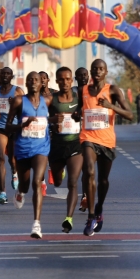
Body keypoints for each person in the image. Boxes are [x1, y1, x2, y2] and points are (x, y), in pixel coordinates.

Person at [80, 59, 133, 236]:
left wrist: (111, 106)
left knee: (103, 180)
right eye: (94, 69)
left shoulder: (113, 90)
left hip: (107, 141)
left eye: (101, 69)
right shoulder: (84, 90)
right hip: (88, 138)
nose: (97, 71)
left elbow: (130, 115)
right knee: (89, 170)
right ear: (91, 71)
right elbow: (78, 108)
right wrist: (74, 115)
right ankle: (91, 216)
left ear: (106, 72)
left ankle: (99, 207)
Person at [5, 71, 52, 238]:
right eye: (30, 80)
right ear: (26, 83)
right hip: (23, 148)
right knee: (24, 185)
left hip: (41, 149)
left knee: (37, 182)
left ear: (41, 84)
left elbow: (51, 118)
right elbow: (8, 126)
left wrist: (56, 121)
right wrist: (23, 126)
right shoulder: (19, 101)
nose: (33, 82)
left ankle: (36, 224)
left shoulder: (47, 100)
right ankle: (20, 192)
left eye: (36, 80)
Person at [48, 67, 83, 233]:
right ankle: (58, 172)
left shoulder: (79, 98)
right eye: (61, 80)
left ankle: (68, 218)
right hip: (56, 145)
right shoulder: (51, 100)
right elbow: (39, 116)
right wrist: (53, 119)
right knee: (58, 181)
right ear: (57, 81)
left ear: (72, 80)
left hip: (75, 144)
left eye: (68, 79)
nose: (65, 82)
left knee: (72, 182)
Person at [0, 67, 24, 204]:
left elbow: (25, 108)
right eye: (3, 74)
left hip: (14, 128)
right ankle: (2, 192)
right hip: (0, 127)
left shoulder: (18, 91)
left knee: (13, 160)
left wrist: (14, 104)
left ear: (12, 76)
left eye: (8, 74)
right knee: (1, 157)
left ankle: (14, 173)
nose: (5, 76)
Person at [74, 67, 90, 212]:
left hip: (88, 136)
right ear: (76, 77)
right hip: (71, 136)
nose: (83, 77)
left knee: (87, 169)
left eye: (85, 75)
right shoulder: (72, 93)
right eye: (80, 75)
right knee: (73, 169)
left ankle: (85, 196)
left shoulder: (94, 92)